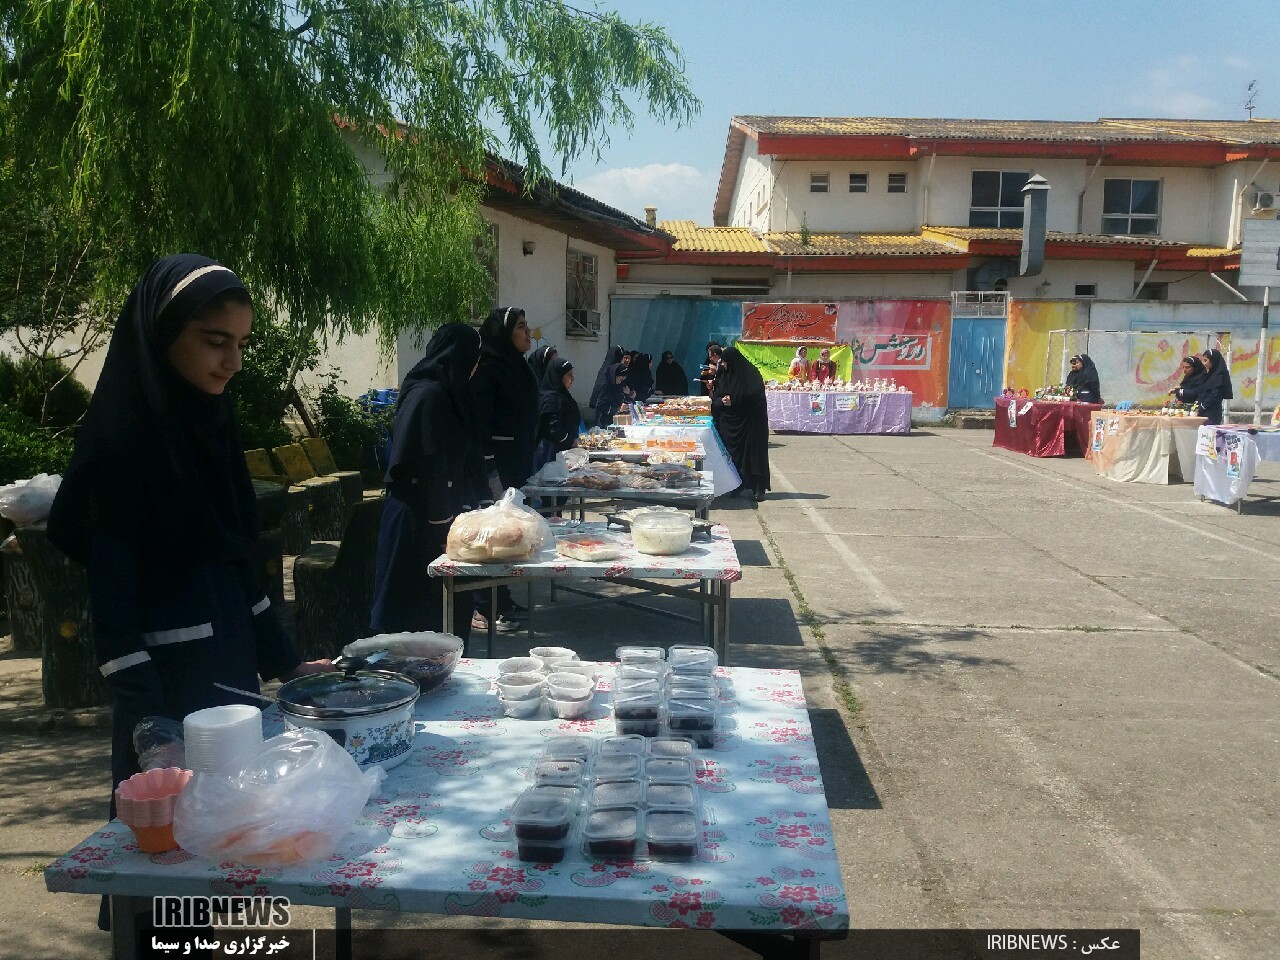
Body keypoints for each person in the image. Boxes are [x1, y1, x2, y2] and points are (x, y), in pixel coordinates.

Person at [45, 254, 330, 929]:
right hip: (165, 699)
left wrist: (288, 664)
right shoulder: (123, 447)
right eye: (214, 341)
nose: (232, 362)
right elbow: (114, 618)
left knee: (232, 871)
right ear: (163, 333)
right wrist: (152, 730)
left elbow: (238, 568)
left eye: (241, 344)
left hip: (230, 688)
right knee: (168, 886)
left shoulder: (213, 426)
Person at [371, 323, 484, 639]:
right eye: (472, 357)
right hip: (417, 521)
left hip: (441, 516)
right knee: (415, 622)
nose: (475, 366)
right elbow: (426, 467)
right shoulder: (428, 396)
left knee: (448, 617)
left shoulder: (452, 394)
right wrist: (442, 524)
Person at [470, 306, 540, 630]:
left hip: (518, 464)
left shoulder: (519, 367)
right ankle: (483, 606)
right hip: (496, 466)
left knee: (509, 534)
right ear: (504, 333)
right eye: (521, 327)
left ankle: (503, 597)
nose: (528, 332)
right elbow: (480, 426)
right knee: (491, 534)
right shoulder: (488, 370)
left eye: (527, 326)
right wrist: (490, 472)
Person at [712, 346, 771, 501]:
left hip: (750, 424)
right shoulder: (723, 374)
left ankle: (758, 488)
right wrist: (721, 401)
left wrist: (735, 400)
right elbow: (716, 396)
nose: (723, 365)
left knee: (754, 456)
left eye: (726, 362)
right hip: (730, 424)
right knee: (734, 457)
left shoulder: (751, 375)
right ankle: (737, 484)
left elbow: (754, 396)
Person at [535, 357, 582, 465]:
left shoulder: (562, 395)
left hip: (561, 450)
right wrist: (570, 442)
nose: (573, 378)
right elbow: (554, 429)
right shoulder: (552, 398)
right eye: (569, 374)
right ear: (559, 376)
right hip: (551, 452)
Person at [1188, 348, 1233, 425]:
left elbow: (1215, 396)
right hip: (1203, 411)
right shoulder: (1208, 374)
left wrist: (1203, 406)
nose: (1204, 363)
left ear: (1213, 361)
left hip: (1212, 413)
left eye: (1205, 360)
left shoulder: (1220, 376)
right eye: (1203, 360)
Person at [590, 344, 624, 425]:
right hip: (603, 417)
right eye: (622, 358)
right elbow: (601, 403)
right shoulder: (607, 376)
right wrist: (617, 409)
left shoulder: (608, 371)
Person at [596, 349, 631, 427]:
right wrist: (618, 409)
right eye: (620, 379)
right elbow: (601, 406)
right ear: (614, 375)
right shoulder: (605, 385)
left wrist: (627, 397)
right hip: (604, 422)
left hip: (615, 420)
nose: (620, 382)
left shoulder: (615, 384)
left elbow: (619, 398)